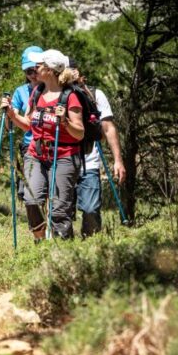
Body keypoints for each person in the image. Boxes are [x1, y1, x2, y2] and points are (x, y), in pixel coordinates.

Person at [1, 49, 84, 240]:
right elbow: (29, 124)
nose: (34, 70)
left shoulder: (70, 96)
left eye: (38, 66)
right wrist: (12, 115)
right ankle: (39, 242)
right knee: (31, 200)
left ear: (50, 70)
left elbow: (79, 133)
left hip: (64, 156)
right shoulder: (37, 93)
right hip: (36, 154)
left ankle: (62, 253)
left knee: (59, 211)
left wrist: (64, 121)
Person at [68, 59, 126, 236]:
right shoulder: (55, 94)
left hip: (89, 161)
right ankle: (63, 252)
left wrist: (118, 160)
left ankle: (91, 248)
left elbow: (108, 127)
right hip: (63, 159)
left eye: (73, 70)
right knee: (62, 212)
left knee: (91, 210)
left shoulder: (95, 94)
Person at [9, 46, 43, 201]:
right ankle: (37, 224)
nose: (33, 75)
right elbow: (14, 117)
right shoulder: (20, 92)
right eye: (29, 72)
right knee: (29, 193)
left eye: (36, 70)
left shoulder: (54, 90)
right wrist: (9, 113)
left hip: (53, 145)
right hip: (29, 146)